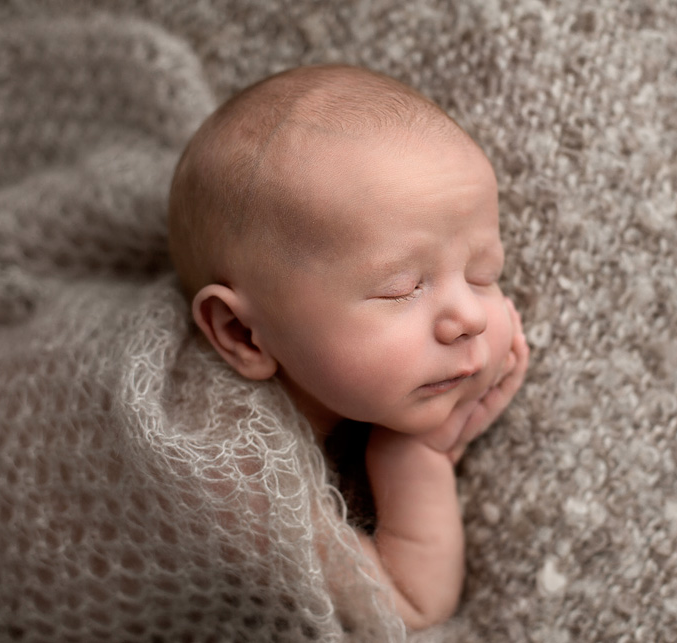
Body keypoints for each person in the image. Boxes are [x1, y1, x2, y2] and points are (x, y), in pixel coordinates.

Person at [167, 64, 529, 631]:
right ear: (241, 333)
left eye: (484, 273)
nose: (468, 318)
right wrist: (417, 459)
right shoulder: (223, 470)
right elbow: (405, 605)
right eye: (401, 288)